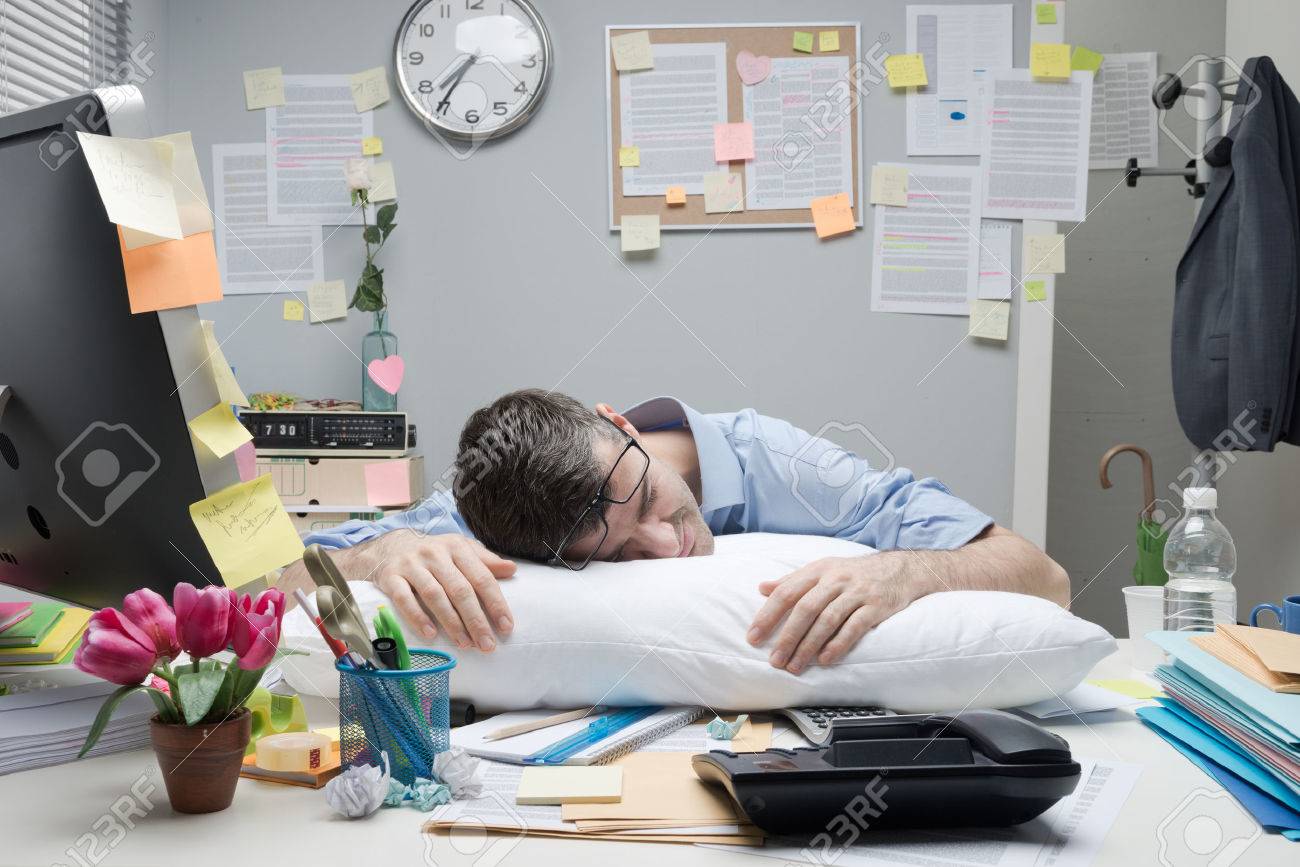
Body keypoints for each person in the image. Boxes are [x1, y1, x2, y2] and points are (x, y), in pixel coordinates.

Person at [278, 390, 1069, 675]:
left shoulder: (780, 462)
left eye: (646, 500)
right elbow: (269, 585)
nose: (664, 544)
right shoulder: (497, 516)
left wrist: (903, 574)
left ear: (619, 423)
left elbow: (1044, 575)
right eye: (618, 553)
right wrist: (386, 551)